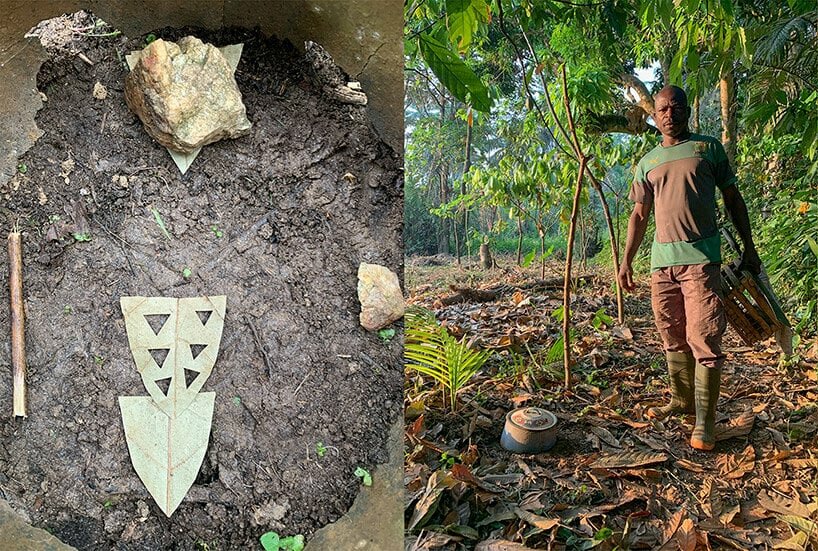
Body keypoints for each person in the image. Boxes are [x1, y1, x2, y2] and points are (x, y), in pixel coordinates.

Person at [617, 85, 761, 451]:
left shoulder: (708, 148)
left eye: (675, 107)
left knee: (705, 337)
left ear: (687, 111)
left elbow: (733, 198)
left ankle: (705, 422)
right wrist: (626, 260)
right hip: (662, 265)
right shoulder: (647, 162)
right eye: (662, 109)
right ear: (654, 115)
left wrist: (749, 247)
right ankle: (681, 400)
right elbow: (639, 214)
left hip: (701, 262)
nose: (669, 114)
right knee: (671, 333)